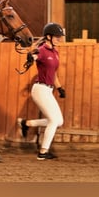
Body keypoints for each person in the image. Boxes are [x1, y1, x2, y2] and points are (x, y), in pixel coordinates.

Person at [17, 22, 66, 160]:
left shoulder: (55, 52)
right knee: (53, 120)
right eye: (57, 36)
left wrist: (60, 88)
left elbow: (53, 73)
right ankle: (43, 152)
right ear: (48, 37)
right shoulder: (42, 50)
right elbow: (34, 56)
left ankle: (27, 124)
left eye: (59, 36)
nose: (59, 39)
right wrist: (31, 57)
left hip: (49, 90)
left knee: (59, 121)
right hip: (40, 89)